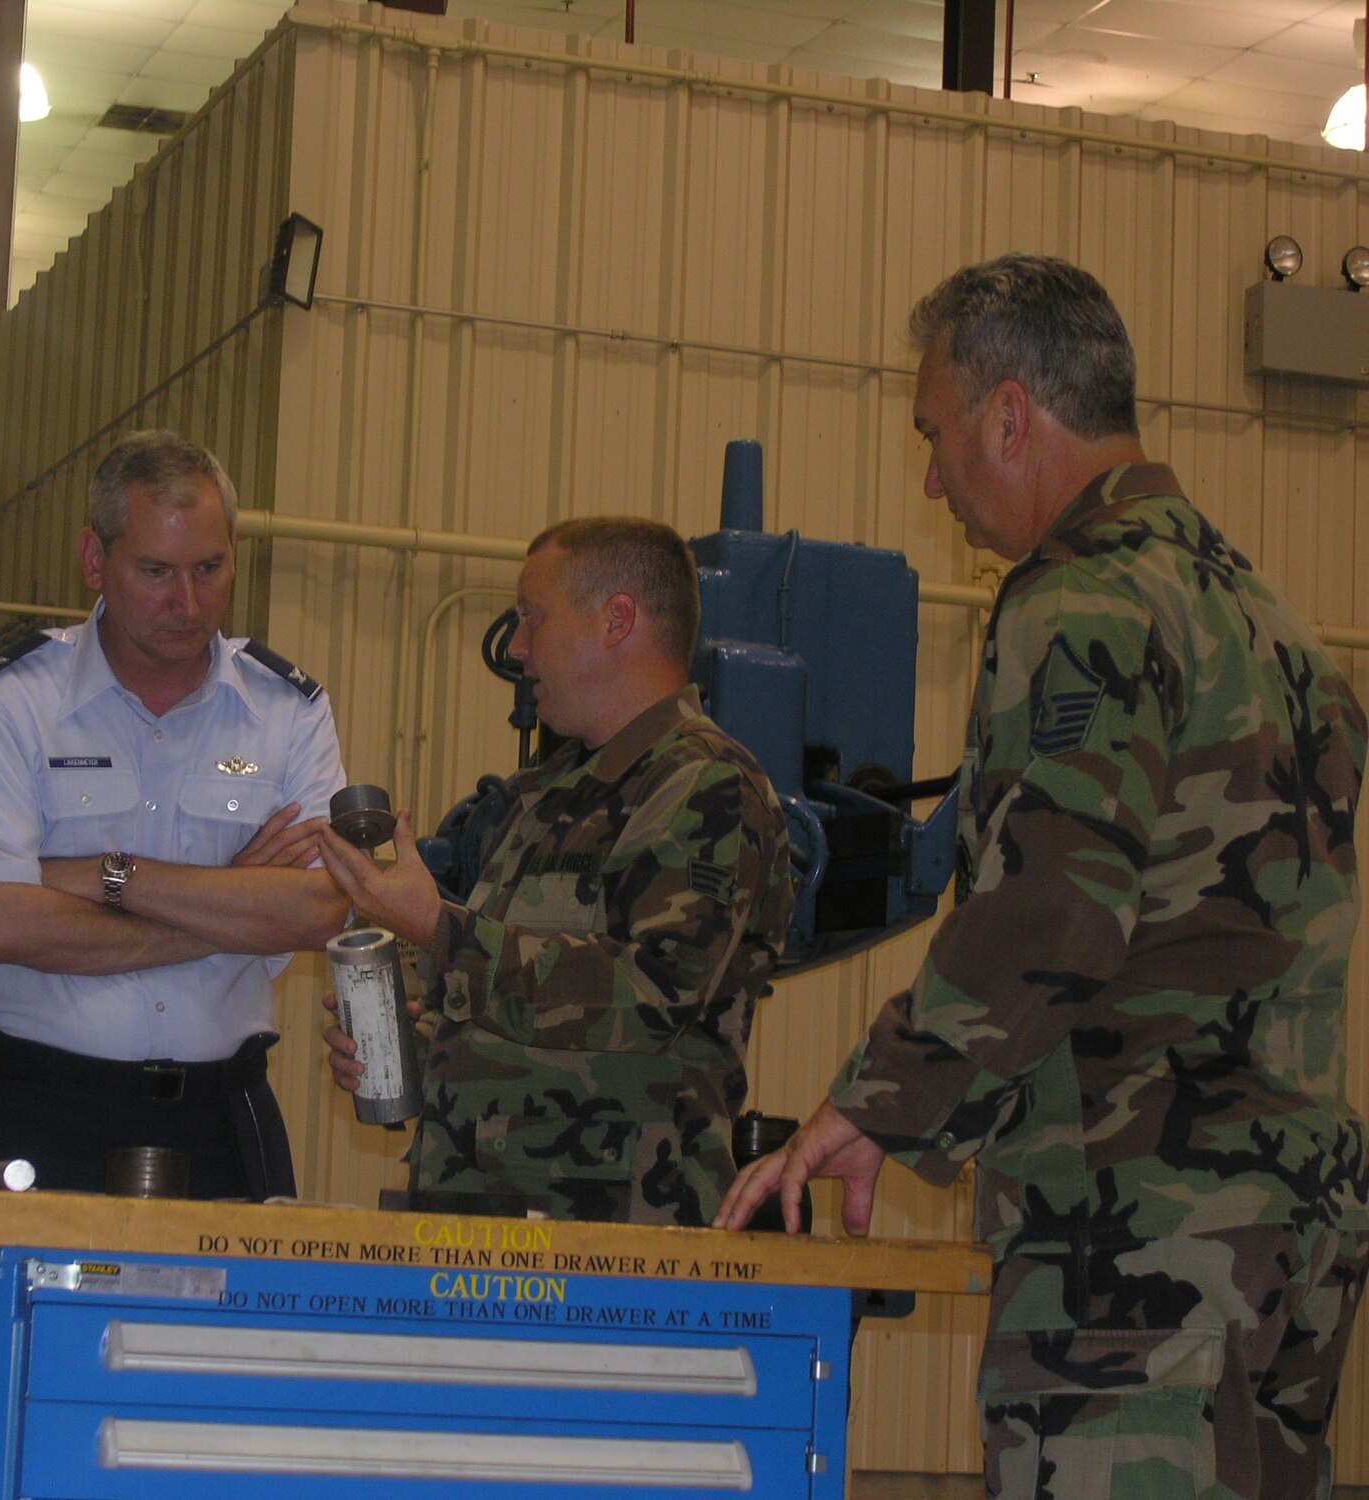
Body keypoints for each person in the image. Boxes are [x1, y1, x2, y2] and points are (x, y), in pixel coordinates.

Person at [715, 253, 1369, 1499]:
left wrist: (869, 1106)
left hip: (1133, 1242)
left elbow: (1053, 909)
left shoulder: (1080, 600)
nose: (930, 478)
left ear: (1008, 414)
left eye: (934, 432)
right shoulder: (1277, 628)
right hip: (1291, 1240)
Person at [319, 517, 794, 1226]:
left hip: (619, 1245)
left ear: (617, 620)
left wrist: (439, 932)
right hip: (477, 1226)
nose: (516, 648)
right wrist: (403, 1053)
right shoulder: (549, 796)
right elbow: (513, 1022)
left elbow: (650, 996)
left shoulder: (707, 788)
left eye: (532, 619)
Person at [0, 428, 350, 1200]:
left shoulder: (289, 713)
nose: (188, 603)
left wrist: (104, 877)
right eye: (155, 571)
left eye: (210, 569)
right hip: (39, 1115)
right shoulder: (11, 703)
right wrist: (231, 904)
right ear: (95, 561)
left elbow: (317, 908)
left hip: (222, 1124)